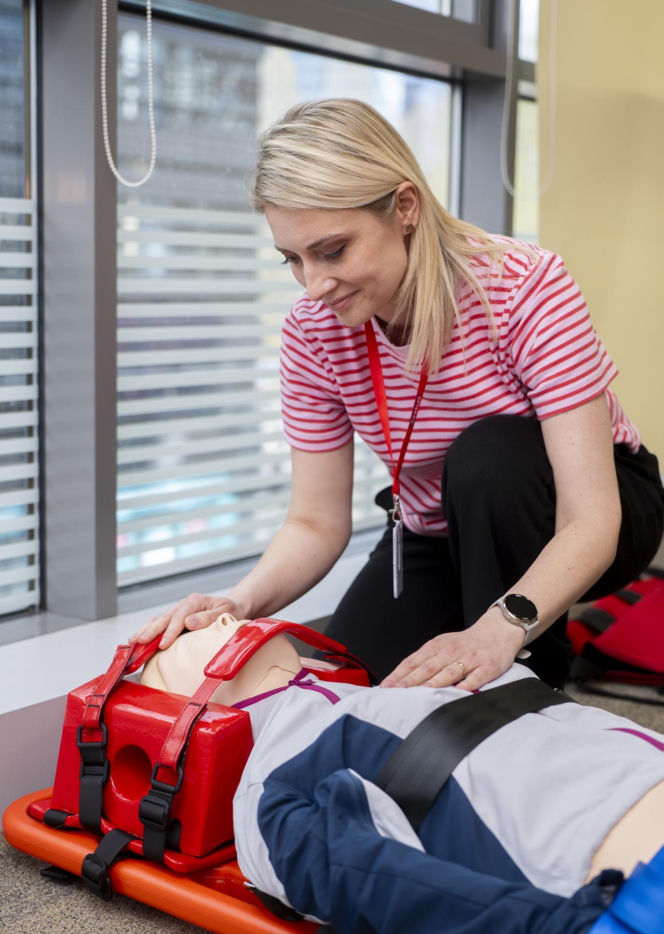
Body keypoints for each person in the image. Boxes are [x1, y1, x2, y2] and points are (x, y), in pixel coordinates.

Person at [132, 98, 664, 691]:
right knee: (354, 690)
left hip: (594, 507)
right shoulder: (313, 331)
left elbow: (592, 519)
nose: (314, 284)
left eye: (332, 251)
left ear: (405, 208)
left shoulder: (525, 286)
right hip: (435, 523)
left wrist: (499, 627)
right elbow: (313, 520)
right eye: (293, 259)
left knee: (487, 459)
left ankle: (533, 683)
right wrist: (237, 601)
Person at [140, 613, 664, 934]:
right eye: (186, 640)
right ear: (187, 717)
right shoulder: (271, 782)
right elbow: (393, 890)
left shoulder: (415, 680)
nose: (223, 616)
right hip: (640, 885)